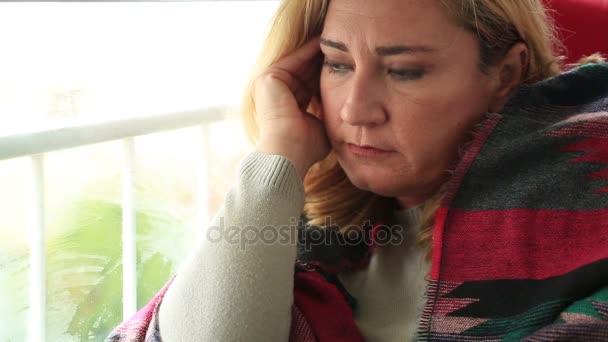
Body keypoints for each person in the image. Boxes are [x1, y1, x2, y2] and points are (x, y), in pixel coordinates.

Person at [106, 0, 608, 341]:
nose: (355, 111)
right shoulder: (304, 224)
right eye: (336, 64)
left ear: (506, 74)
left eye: (405, 70)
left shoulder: (590, 206)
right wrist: (279, 154)